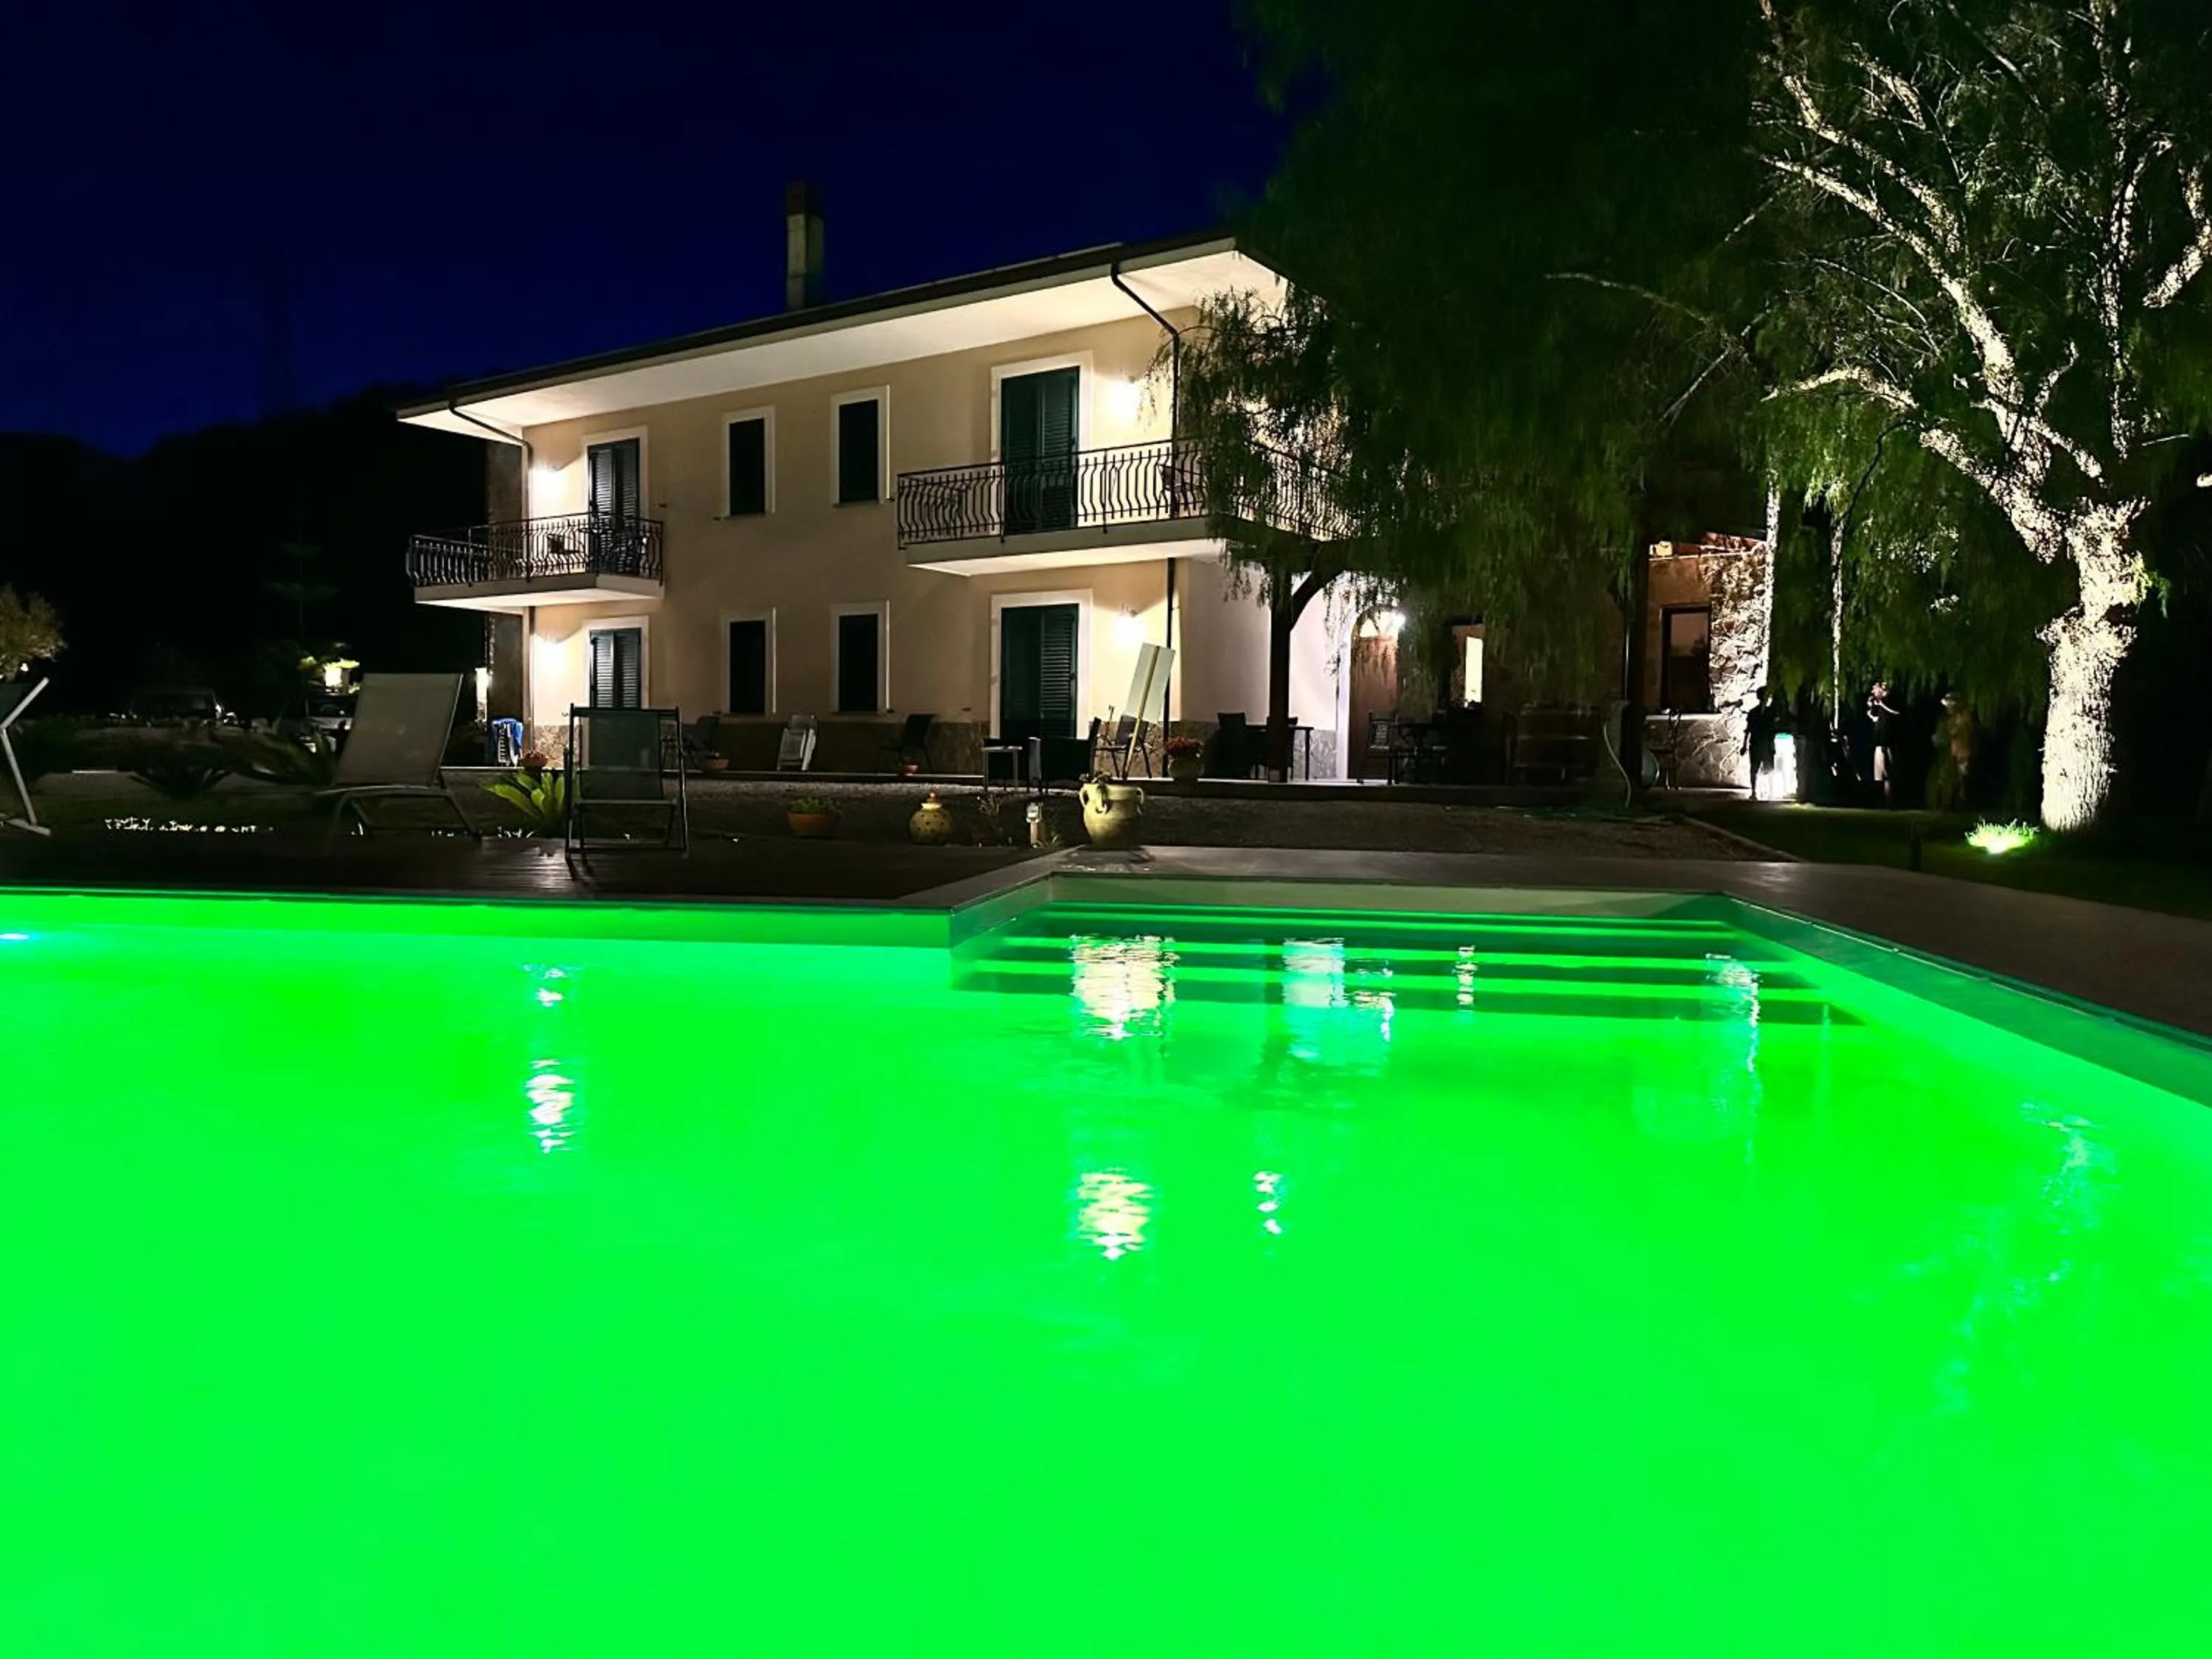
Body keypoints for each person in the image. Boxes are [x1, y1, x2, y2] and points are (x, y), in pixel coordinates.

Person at [1867, 682, 1901, 805]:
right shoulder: (1881, 704)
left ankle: (1890, 802)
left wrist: (1881, 704)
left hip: (1888, 742)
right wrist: (1871, 713)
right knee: (1879, 775)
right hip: (1879, 742)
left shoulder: (1890, 700)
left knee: (1888, 775)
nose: (1873, 692)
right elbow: (1877, 720)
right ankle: (1880, 802)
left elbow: (1897, 712)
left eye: (1875, 689)